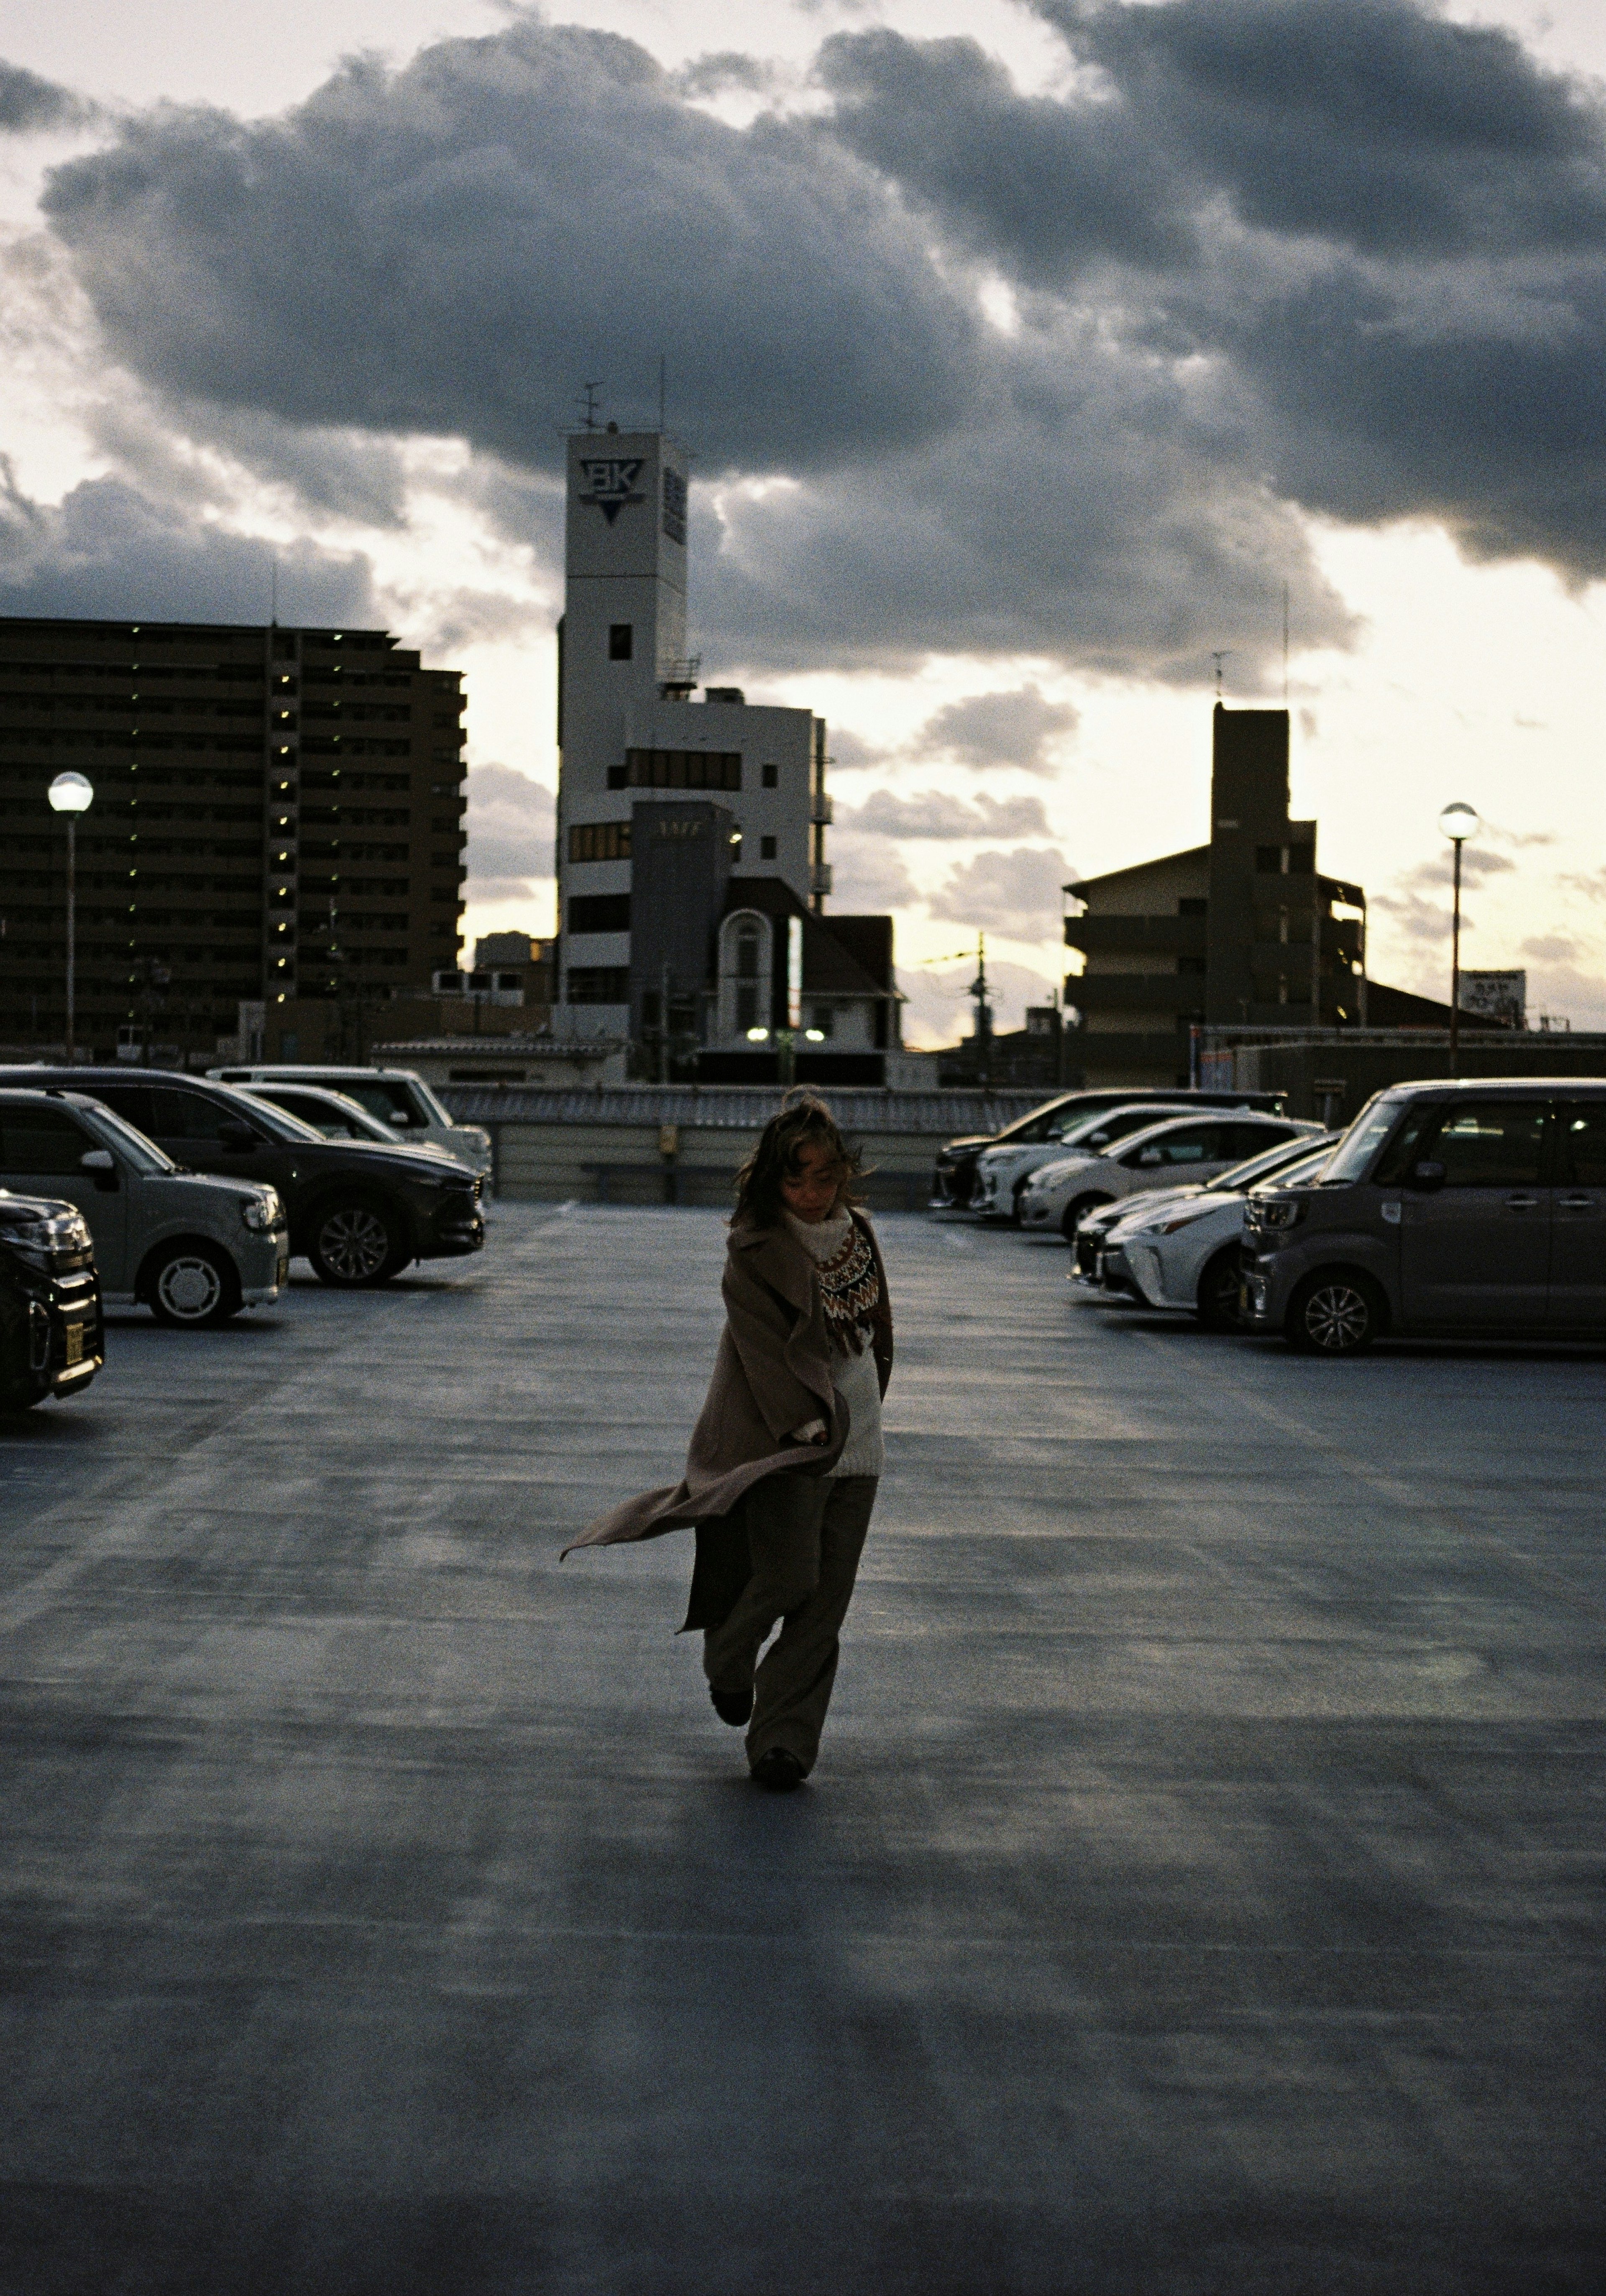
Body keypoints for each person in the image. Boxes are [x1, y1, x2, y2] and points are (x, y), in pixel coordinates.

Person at [564, 1093, 893, 1790]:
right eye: (796, 1179)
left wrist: (864, 1410)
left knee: (823, 1607)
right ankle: (727, 1654)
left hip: (859, 1445)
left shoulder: (857, 1236)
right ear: (772, 1178)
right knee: (788, 1577)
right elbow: (761, 1351)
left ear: (843, 1174)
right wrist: (802, 1426)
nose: (811, 1193)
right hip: (789, 1444)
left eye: (825, 1177)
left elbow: (875, 1332)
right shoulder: (753, 1248)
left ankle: (783, 1745)